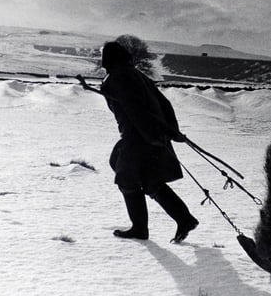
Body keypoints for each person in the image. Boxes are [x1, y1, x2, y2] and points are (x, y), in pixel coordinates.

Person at [76, 41, 199, 243]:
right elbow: (164, 104)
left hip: (138, 136)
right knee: (146, 178)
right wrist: (171, 132)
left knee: (126, 177)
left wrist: (152, 136)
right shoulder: (137, 75)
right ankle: (183, 219)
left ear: (109, 58)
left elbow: (135, 109)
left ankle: (141, 228)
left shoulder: (119, 76)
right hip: (150, 135)